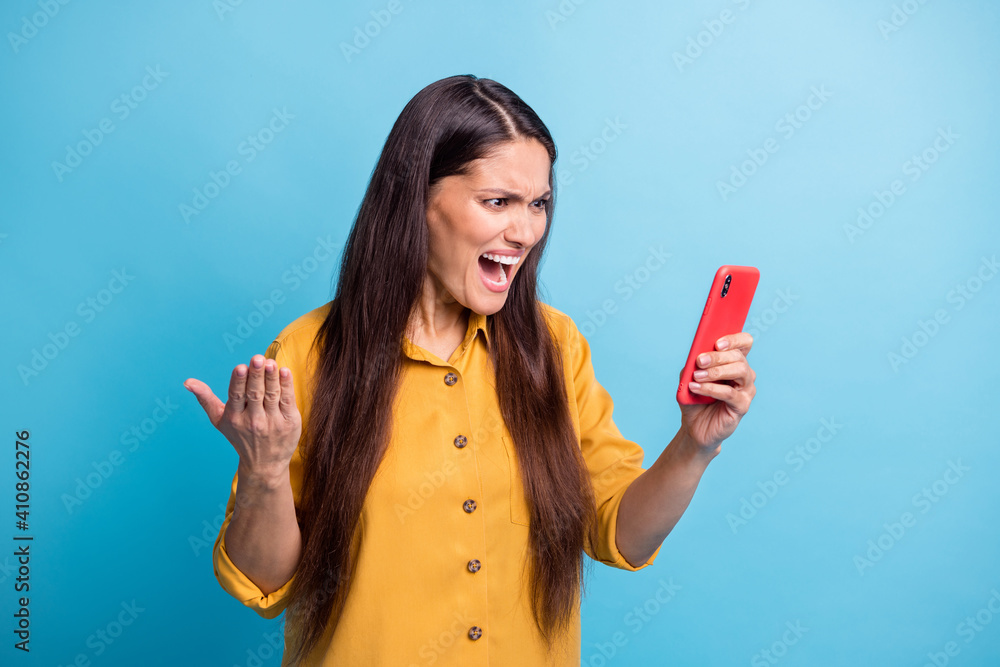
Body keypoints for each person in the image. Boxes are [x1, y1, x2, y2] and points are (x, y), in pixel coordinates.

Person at [183, 74, 756, 666]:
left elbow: (622, 536)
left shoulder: (555, 347)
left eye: (538, 204)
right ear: (418, 201)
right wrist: (266, 471)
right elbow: (261, 583)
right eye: (498, 202)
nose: (526, 231)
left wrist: (693, 446)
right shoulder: (308, 353)